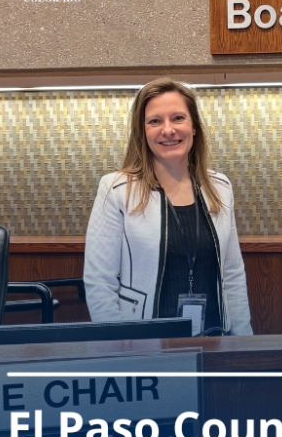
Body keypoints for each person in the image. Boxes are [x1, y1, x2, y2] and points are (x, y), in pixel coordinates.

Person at [84, 78, 253, 335]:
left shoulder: (220, 188)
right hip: (143, 349)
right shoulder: (116, 189)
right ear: (142, 131)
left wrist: (242, 344)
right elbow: (100, 283)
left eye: (177, 118)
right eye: (155, 121)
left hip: (215, 342)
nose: (168, 130)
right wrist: (119, 347)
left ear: (194, 126)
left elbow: (232, 276)